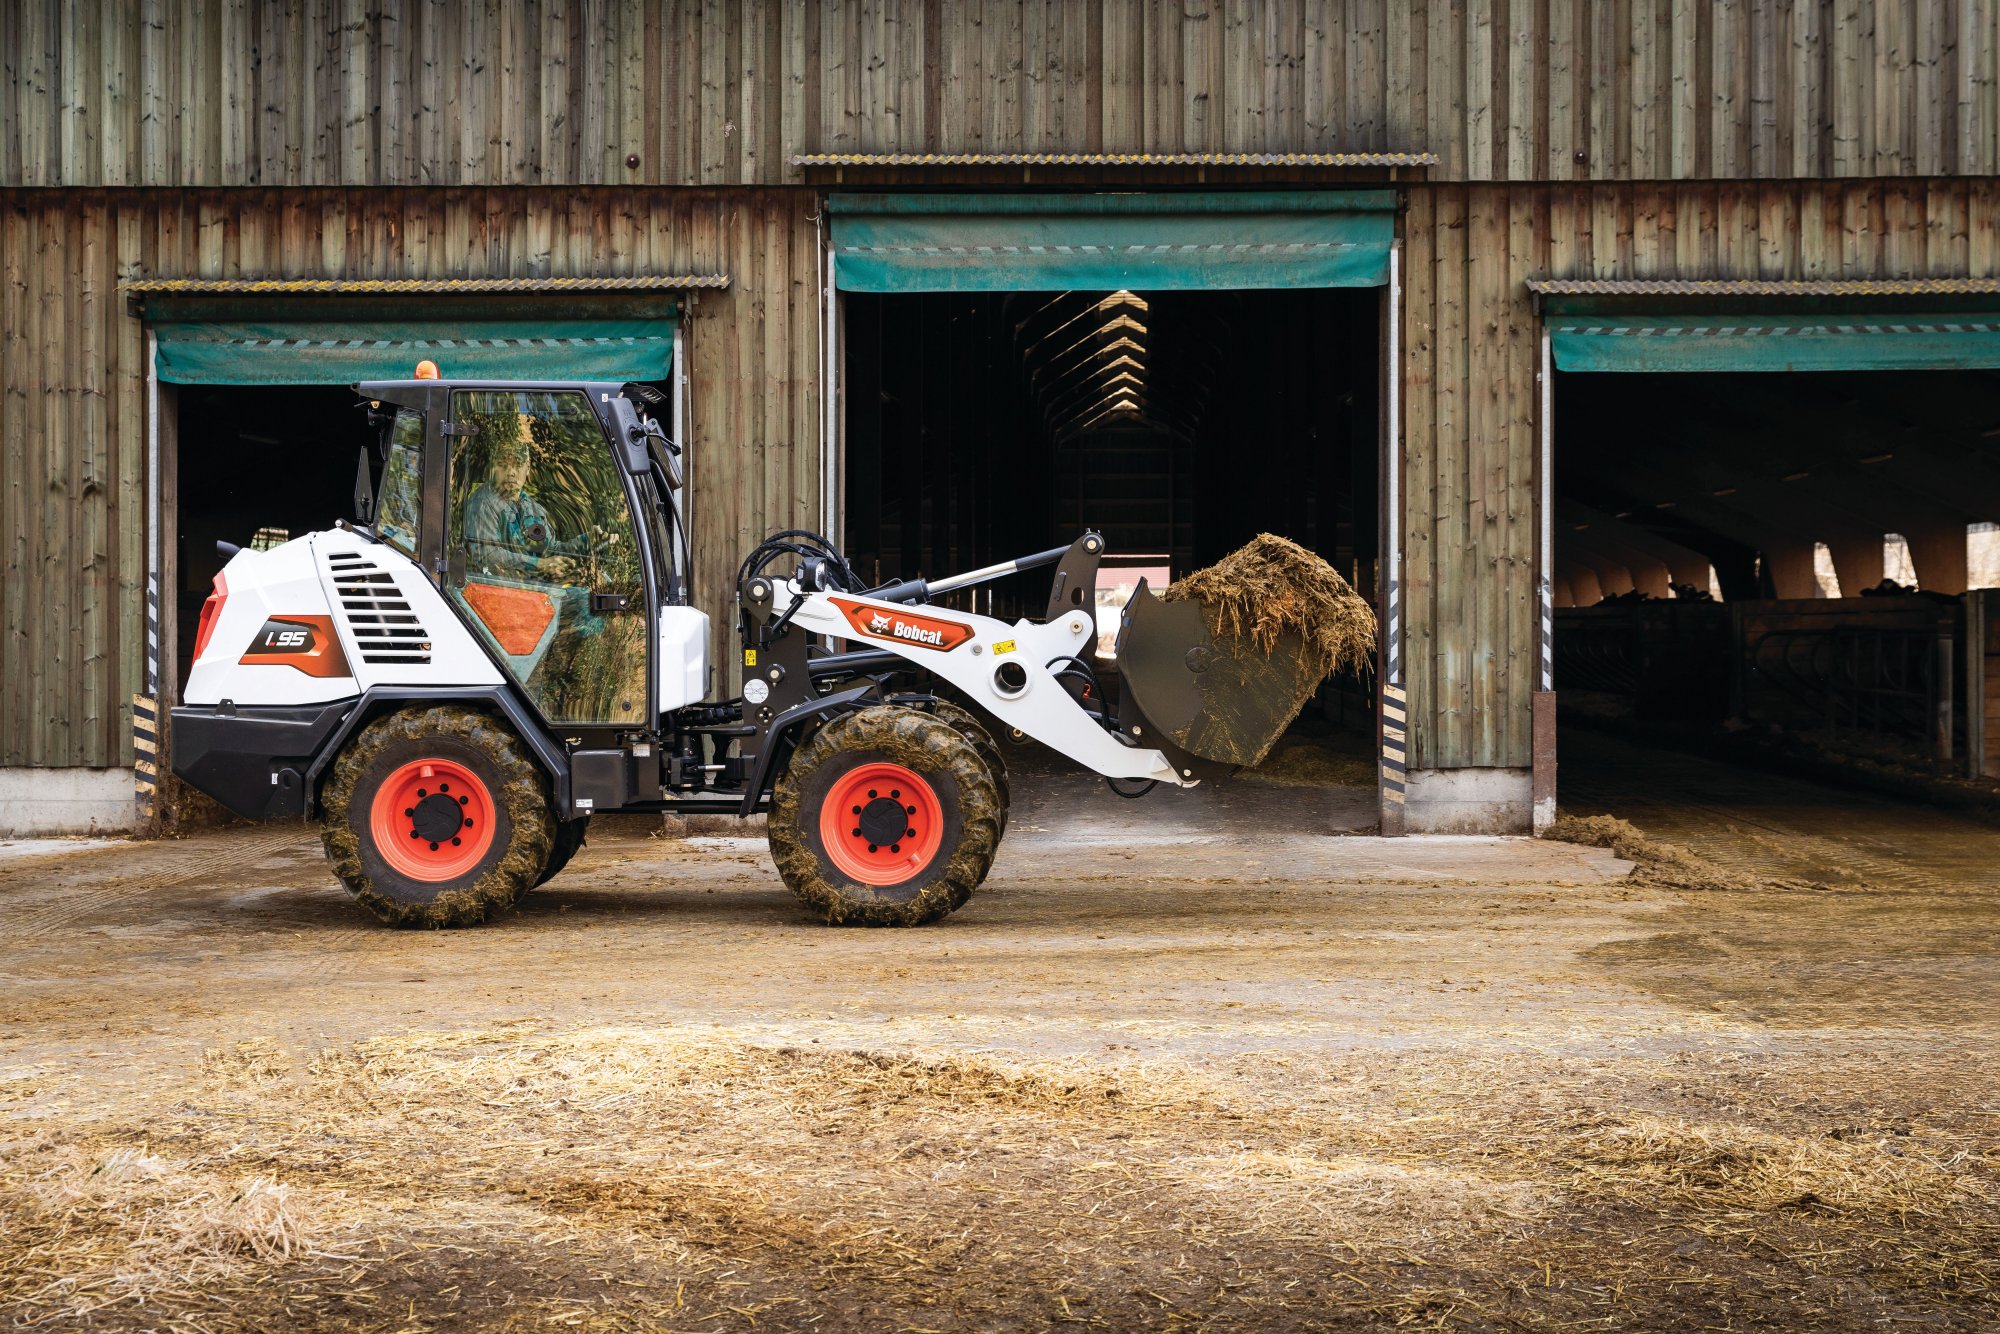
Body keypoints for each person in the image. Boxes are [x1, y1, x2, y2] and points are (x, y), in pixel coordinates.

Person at [462, 414, 570, 579]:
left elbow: (550, 547)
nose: (511, 472)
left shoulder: (532, 507)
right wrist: (540, 565)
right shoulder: (483, 504)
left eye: (518, 465)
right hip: (498, 590)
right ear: (493, 467)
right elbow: (487, 556)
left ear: (527, 469)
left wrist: (587, 542)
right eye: (504, 464)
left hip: (532, 588)